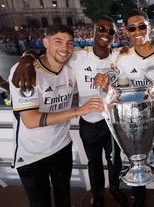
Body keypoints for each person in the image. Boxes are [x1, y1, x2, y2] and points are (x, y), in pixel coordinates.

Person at [11, 17, 128, 207]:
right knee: (93, 162)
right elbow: (48, 53)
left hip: (111, 120)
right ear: (93, 31)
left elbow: (125, 88)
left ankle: (115, 189)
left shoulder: (120, 55)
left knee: (115, 160)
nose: (105, 33)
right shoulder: (77, 56)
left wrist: (108, 87)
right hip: (87, 121)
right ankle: (98, 195)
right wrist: (26, 58)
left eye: (111, 31)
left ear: (115, 36)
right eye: (101, 29)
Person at [96, 9, 154, 207]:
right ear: (126, 31)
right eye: (132, 28)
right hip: (132, 121)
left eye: (142, 26)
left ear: (149, 27)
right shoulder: (120, 55)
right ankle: (139, 200)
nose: (138, 31)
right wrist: (102, 80)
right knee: (135, 162)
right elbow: (109, 79)